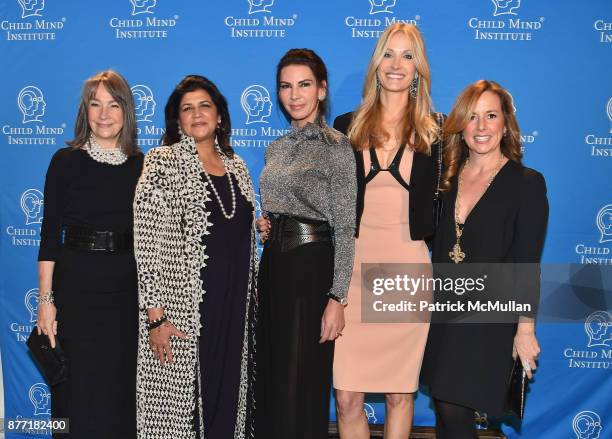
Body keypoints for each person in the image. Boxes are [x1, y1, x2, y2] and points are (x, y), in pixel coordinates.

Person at [420, 80, 548, 438]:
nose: (481, 127)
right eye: (472, 117)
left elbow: (527, 263)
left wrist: (525, 329)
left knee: (454, 408)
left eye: (490, 116)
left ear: (505, 124)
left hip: (490, 318)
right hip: (444, 312)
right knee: (446, 411)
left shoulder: (527, 183)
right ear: (460, 126)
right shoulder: (445, 181)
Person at [332, 23, 442, 438]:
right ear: (377, 64)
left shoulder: (436, 131)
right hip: (352, 271)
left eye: (408, 56)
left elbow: (454, 206)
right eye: (389, 55)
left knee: (400, 395)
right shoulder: (346, 126)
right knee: (346, 396)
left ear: (419, 69)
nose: (397, 65)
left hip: (406, 271)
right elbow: (325, 200)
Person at [133, 75, 258, 439]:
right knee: (182, 411)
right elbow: (146, 243)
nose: (197, 114)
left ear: (220, 115)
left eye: (205, 105)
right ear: (177, 121)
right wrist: (155, 317)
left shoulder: (237, 166)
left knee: (228, 396)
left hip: (234, 308)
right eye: (187, 108)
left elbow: (238, 228)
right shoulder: (162, 162)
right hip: (183, 313)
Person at [255, 48, 357, 439]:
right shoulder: (276, 147)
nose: (294, 95)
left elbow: (346, 226)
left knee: (301, 378)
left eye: (304, 84)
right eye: (286, 86)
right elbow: (278, 205)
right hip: (274, 266)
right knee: (273, 374)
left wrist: (337, 297)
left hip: (311, 269)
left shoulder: (337, 147)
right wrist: (267, 223)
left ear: (321, 90)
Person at [36, 70, 143, 438]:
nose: (104, 114)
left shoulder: (142, 166)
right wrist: (46, 301)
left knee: (119, 388)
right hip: (76, 290)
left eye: (113, 104)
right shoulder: (65, 161)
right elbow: (49, 235)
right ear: (85, 111)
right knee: (76, 389)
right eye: (95, 104)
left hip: (126, 295)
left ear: (126, 111)